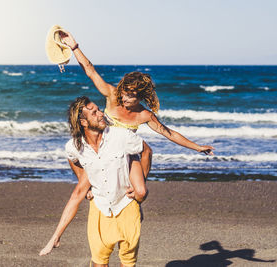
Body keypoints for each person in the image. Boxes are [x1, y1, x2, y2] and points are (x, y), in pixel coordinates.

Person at [59, 30, 215, 181]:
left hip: (123, 154)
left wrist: (197, 147)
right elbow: (90, 71)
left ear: (140, 97)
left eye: (131, 95)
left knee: (145, 154)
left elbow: (169, 133)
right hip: (103, 147)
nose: (125, 98)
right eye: (124, 92)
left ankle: (141, 185)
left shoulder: (144, 115)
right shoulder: (113, 95)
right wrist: (74, 47)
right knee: (74, 150)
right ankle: (83, 182)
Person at [39, 96, 150, 267]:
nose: (101, 114)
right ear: (83, 122)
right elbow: (72, 161)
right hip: (100, 207)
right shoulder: (74, 147)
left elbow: (146, 151)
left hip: (126, 204)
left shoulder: (120, 136)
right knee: (99, 261)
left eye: (99, 109)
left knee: (127, 262)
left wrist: (140, 184)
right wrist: (56, 237)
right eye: (94, 113)